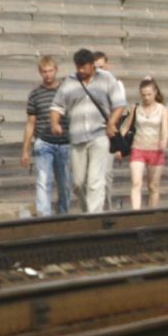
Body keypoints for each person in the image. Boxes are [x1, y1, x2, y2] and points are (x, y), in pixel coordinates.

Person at [48, 48, 126, 214]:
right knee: (78, 182)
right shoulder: (69, 82)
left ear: (92, 65)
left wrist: (112, 123)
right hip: (77, 138)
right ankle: (87, 210)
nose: (81, 71)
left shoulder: (107, 79)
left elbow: (119, 104)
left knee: (94, 180)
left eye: (84, 67)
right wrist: (55, 123)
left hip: (100, 135)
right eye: (78, 67)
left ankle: (94, 216)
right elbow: (56, 105)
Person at [21, 55, 72, 216]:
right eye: (44, 72)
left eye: (50, 71)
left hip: (65, 143)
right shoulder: (35, 94)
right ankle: (44, 216)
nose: (48, 75)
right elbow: (30, 123)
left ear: (56, 70)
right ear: (40, 72)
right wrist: (25, 150)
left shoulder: (66, 91)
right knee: (43, 181)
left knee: (64, 184)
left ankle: (63, 215)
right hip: (44, 143)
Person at [126, 77, 168, 210]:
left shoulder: (162, 110)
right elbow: (126, 126)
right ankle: (136, 212)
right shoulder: (136, 108)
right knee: (136, 183)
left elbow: (165, 129)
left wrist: (164, 141)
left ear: (155, 93)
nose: (146, 98)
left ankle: (152, 212)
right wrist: (118, 144)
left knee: (153, 186)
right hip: (138, 148)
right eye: (144, 95)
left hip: (155, 149)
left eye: (149, 94)